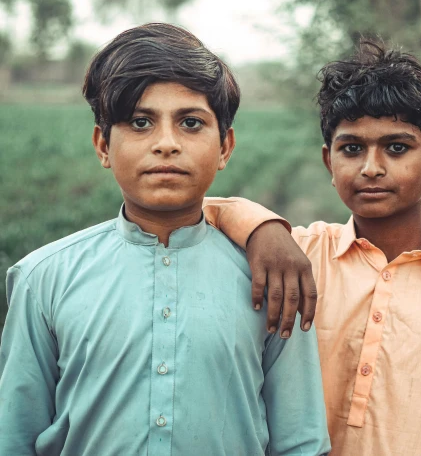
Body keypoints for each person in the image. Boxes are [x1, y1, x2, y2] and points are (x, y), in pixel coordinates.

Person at [0, 23, 330, 456]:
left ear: (225, 147)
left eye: (191, 123)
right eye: (140, 122)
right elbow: (14, 437)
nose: (167, 144)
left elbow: (299, 443)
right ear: (103, 145)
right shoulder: (42, 279)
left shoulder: (271, 277)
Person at [203, 40, 421, 455]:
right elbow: (194, 213)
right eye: (352, 148)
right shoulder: (298, 256)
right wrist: (262, 227)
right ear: (329, 162)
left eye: (397, 148)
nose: (371, 168)